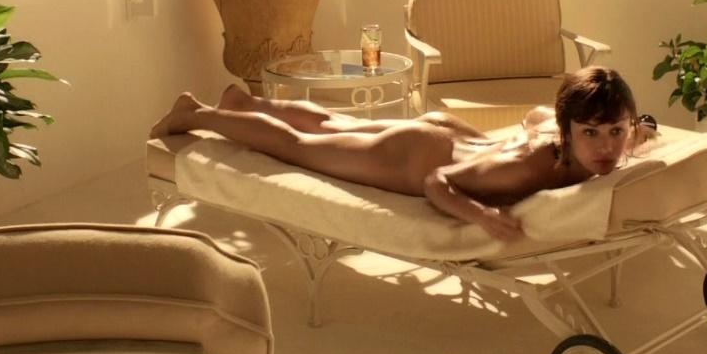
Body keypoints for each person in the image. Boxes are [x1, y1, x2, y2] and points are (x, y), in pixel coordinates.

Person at [149, 66, 655, 241]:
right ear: (568, 132)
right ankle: (196, 114)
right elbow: (439, 183)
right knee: (299, 147)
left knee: (334, 125)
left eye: (616, 131)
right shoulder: (528, 166)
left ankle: (245, 103)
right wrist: (481, 216)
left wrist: (637, 133)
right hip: (415, 159)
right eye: (592, 134)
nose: (606, 147)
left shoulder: (571, 134)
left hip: (444, 134)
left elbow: (534, 115)